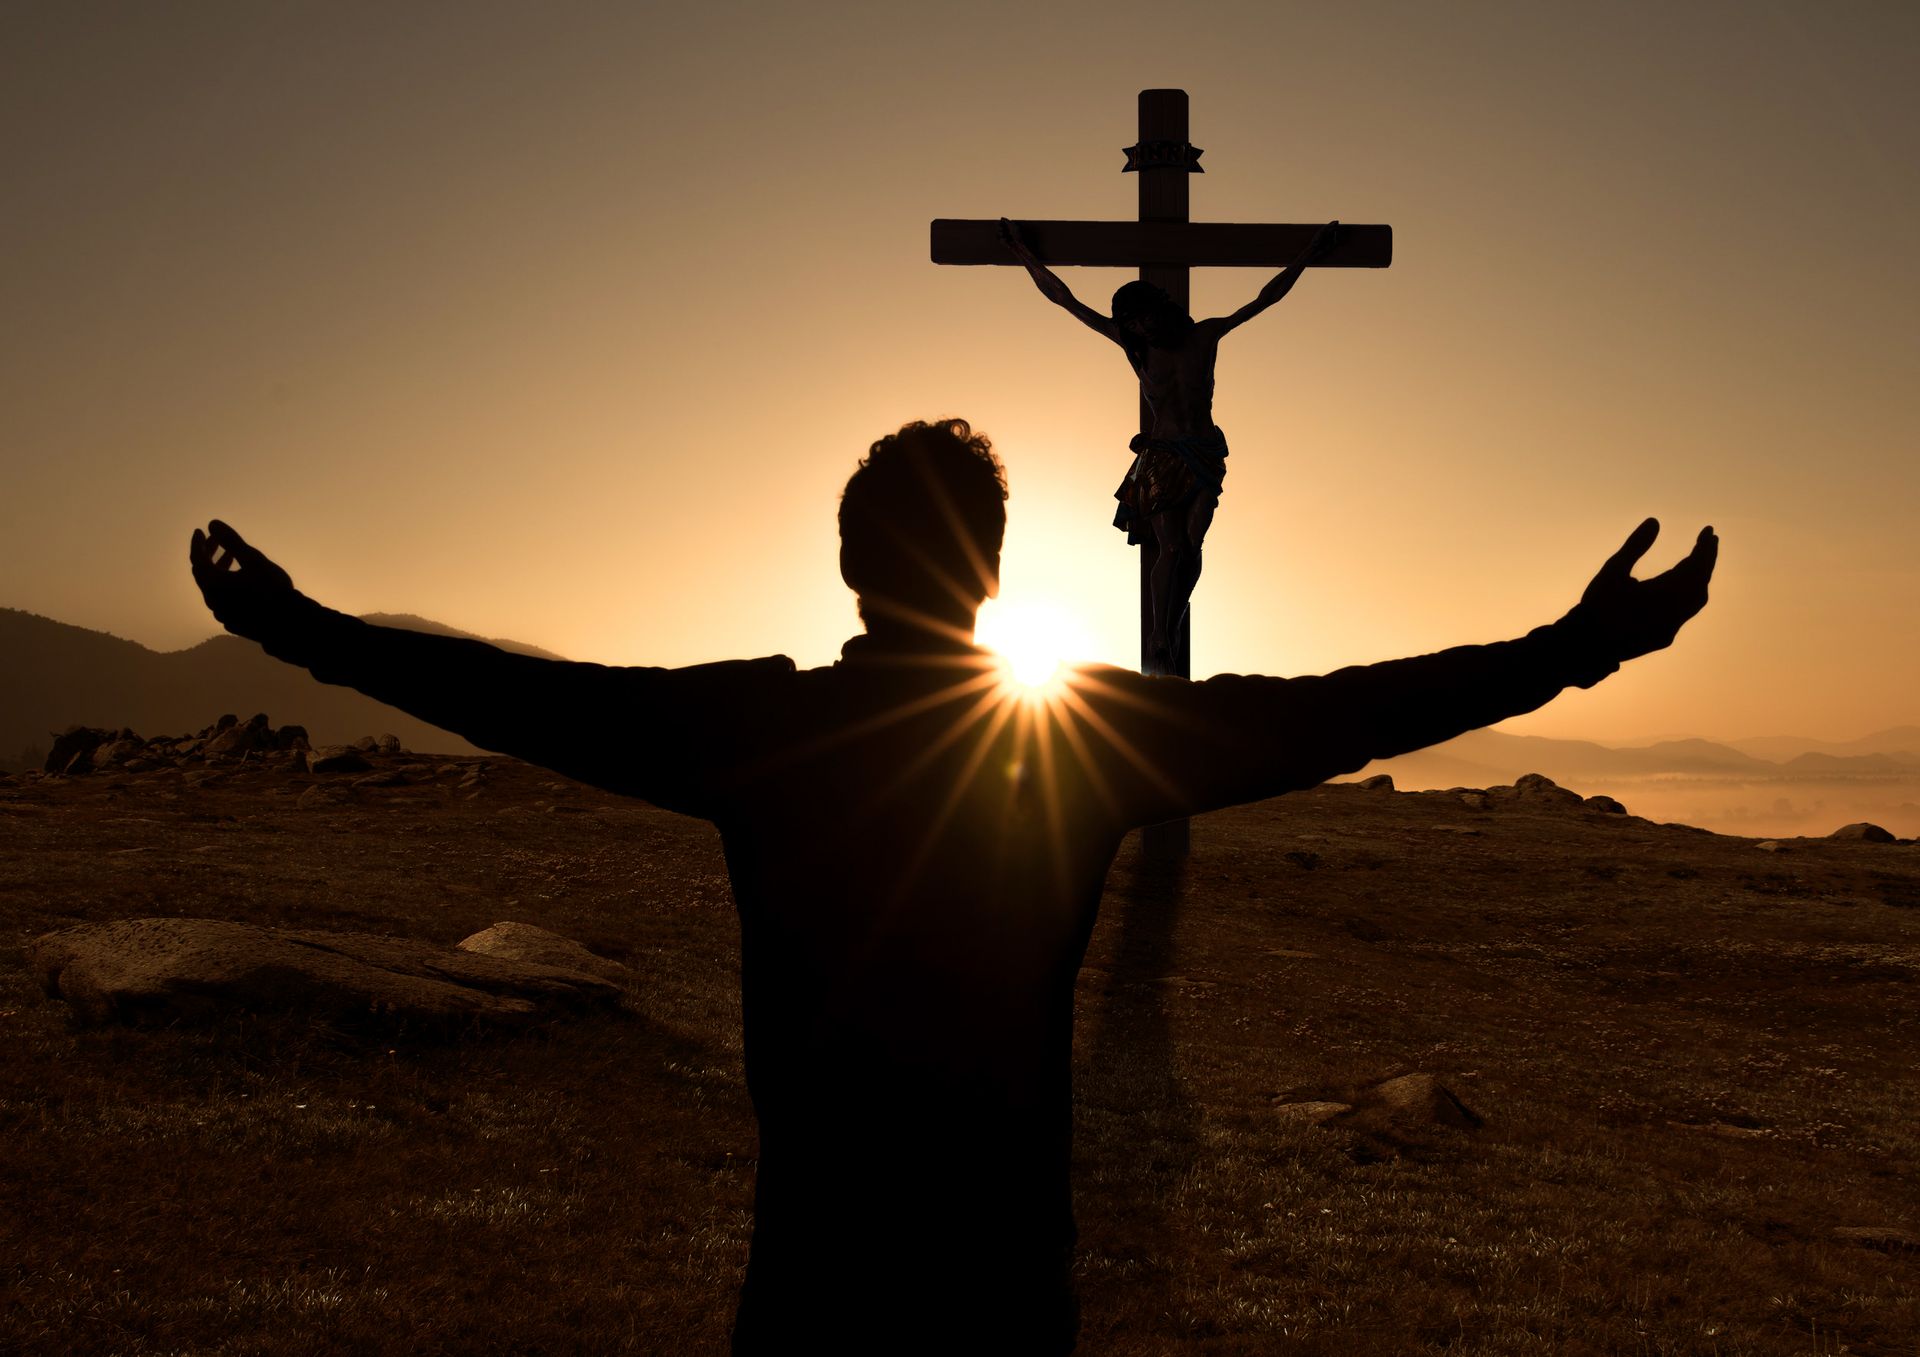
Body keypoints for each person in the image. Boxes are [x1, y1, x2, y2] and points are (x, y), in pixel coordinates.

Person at [189, 418, 1716, 1354]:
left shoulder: (762, 732)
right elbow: (1333, 708)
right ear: (989, 570)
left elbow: (525, 698)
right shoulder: (1083, 743)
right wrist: (1581, 645)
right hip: (998, 1278)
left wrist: (300, 628)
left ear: (851, 562)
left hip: (817, 1277)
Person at [998, 218, 1345, 673]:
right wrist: (1024, 254)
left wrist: (1310, 254)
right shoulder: (1136, 348)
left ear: (1161, 311)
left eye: (1146, 318)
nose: (1141, 328)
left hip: (1203, 451)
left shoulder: (1205, 335)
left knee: (1194, 543)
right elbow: (1067, 301)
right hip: (1161, 456)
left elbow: (1266, 298)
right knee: (1172, 548)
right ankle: (1161, 632)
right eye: (1134, 323)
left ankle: (1173, 621)